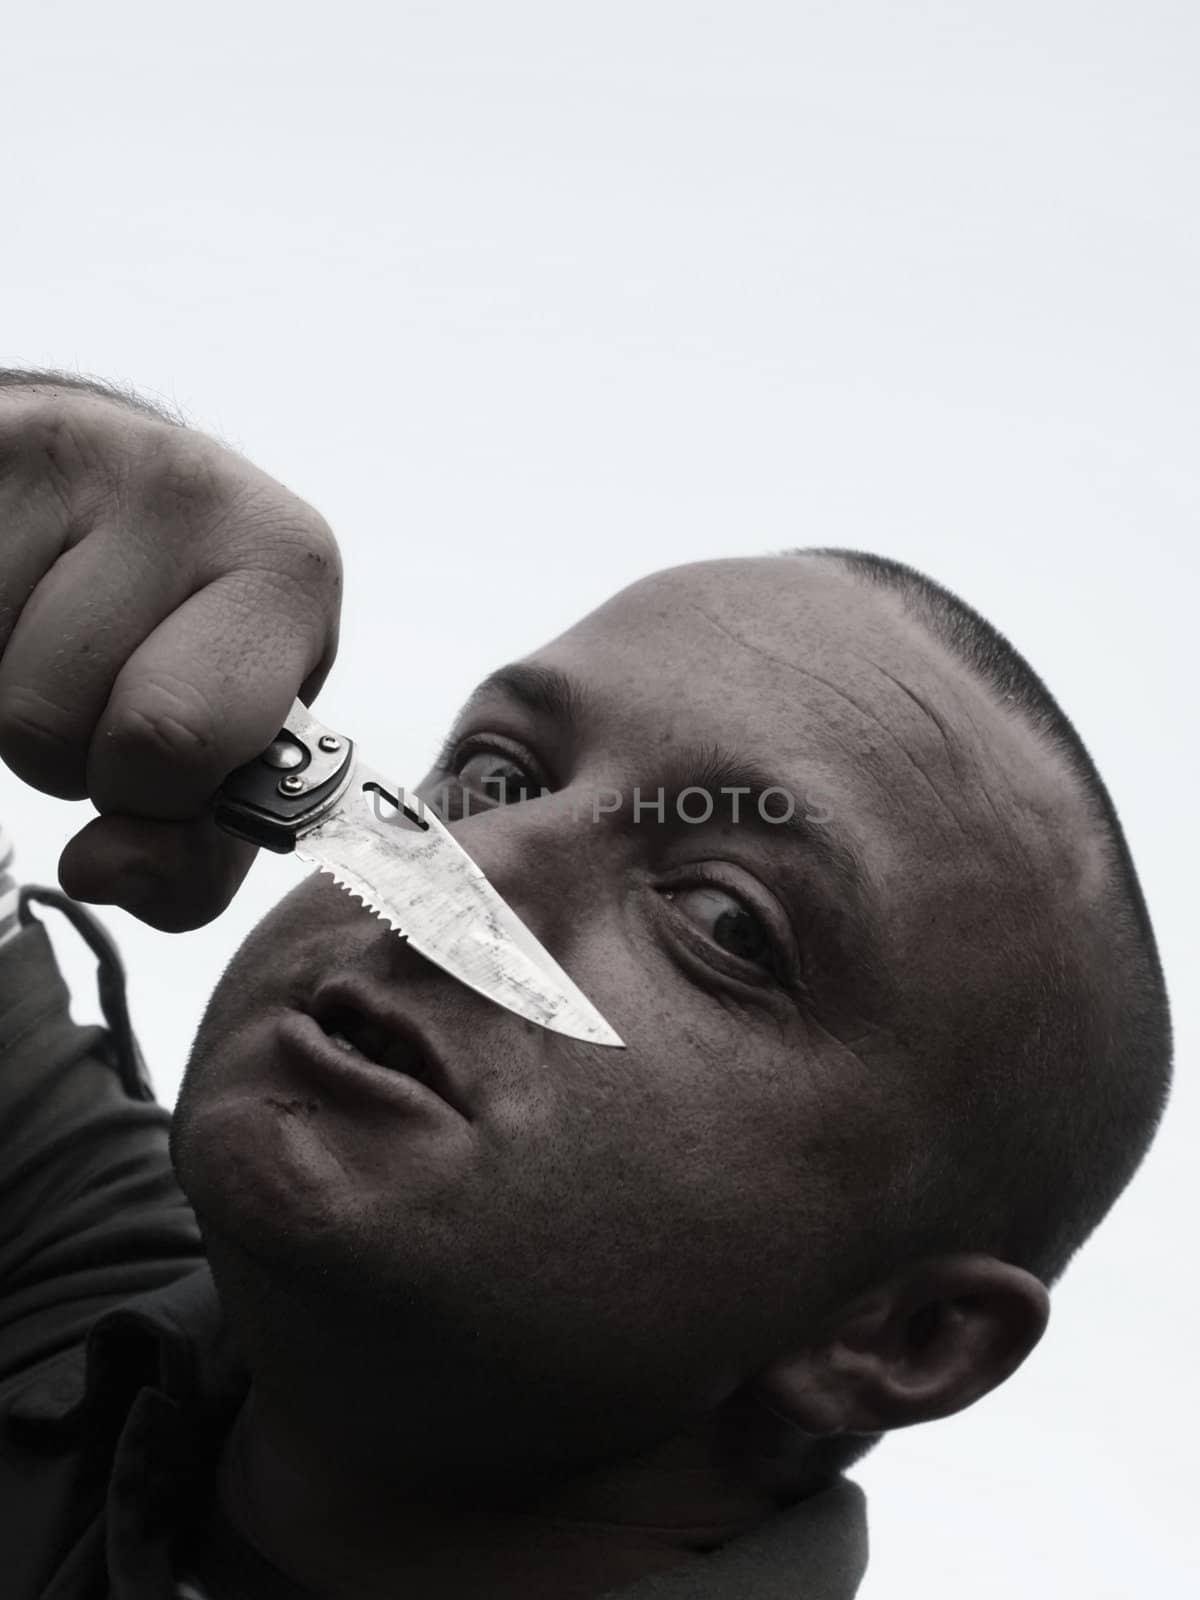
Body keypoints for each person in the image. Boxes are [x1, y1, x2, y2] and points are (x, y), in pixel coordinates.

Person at [0, 372, 1172, 1600]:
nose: (486, 863)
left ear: (899, 1335)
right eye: (498, 774)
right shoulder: (52, 1275)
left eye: (725, 918)